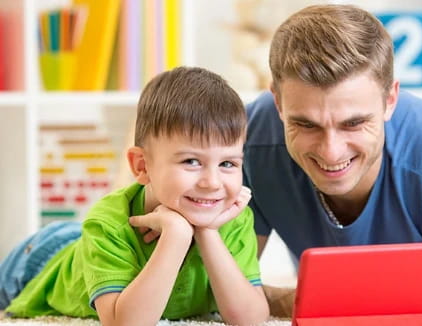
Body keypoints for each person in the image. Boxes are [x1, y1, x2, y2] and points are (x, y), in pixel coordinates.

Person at [243, 4, 422, 315]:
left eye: (354, 123)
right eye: (306, 124)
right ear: (278, 102)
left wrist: (324, 299)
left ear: (390, 100)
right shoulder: (252, 138)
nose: (331, 152)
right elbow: (227, 285)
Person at [0, 67, 269, 326]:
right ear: (142, 166)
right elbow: (124, 323)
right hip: (42, 258)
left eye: (228, 164)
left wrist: (207, 233)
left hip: (89, 243)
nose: (212, 183)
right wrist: (176, 235)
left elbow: (252, 318)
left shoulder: (233, 219)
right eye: (191, 161)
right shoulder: (110, 222)